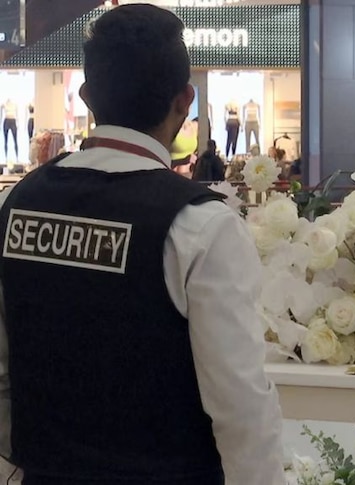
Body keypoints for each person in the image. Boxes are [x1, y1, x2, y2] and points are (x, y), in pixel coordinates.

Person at [0, 5, 285, 485]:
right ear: (185, 101)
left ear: (88, 96)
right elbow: (241, 409)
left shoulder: (17, 205)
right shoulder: (200, 224)